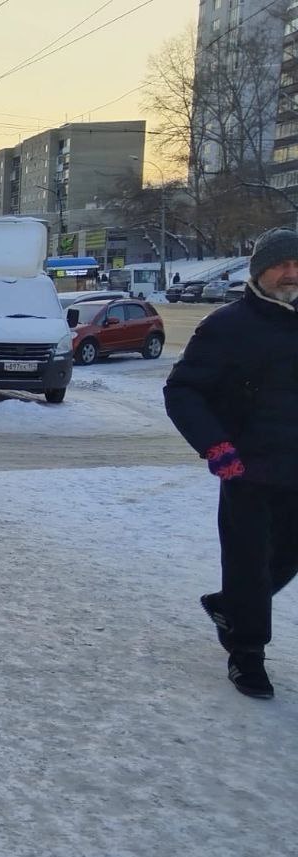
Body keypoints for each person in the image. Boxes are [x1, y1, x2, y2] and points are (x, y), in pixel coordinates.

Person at [164, 227, 298, 699]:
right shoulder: (228, 325)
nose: (292, 273)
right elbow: (182, 390)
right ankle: (247, 654)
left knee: (287, 557)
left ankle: (228, 606)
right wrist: (217, 447)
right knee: (248, 564)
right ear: (259, 269)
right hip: (248, 469)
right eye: (282, 264)